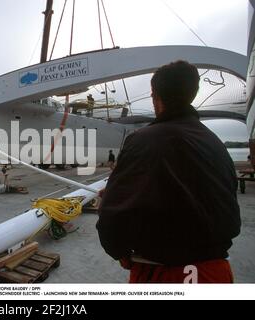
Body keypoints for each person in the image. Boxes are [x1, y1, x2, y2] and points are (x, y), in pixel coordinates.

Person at [97, 60, 241, 283]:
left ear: (155, 96)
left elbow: (111, 216)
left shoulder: (142, 139)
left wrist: (120, 252)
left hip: (163, 273)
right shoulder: (214, 142)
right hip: (216, 271)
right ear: (192, 94)